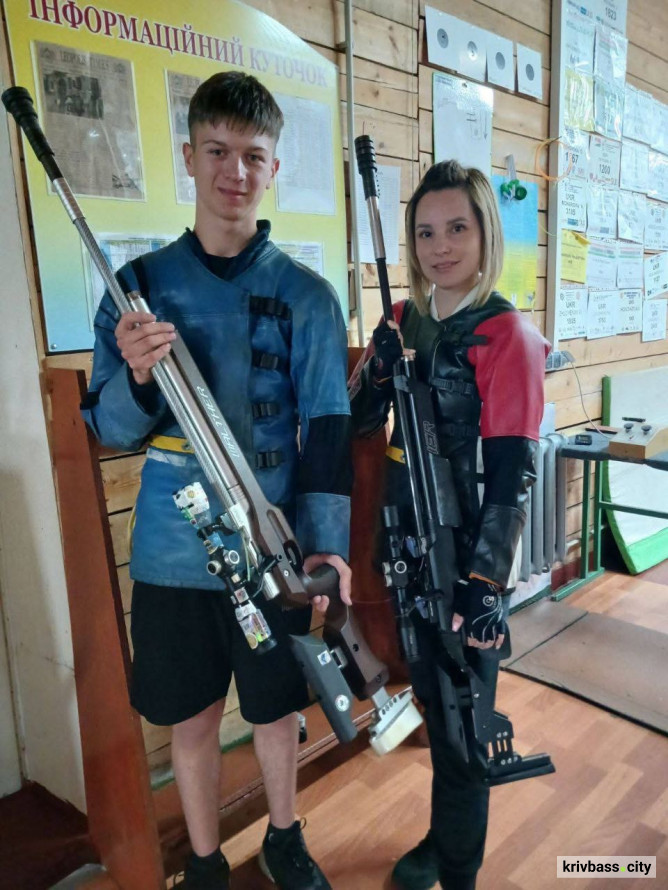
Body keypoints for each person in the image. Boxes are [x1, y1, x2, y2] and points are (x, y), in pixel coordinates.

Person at [82, 71, 353, 890]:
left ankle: (284, 837)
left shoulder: (309, 297)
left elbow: (328, 431)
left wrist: (328, 549)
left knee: (276, 708)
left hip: (274, 545)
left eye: (253, 156)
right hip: (173, 551)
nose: (235, 171)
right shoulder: (136, 291)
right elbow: (110, 429)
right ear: (189, 156)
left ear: (274, 168)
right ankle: (203, 861)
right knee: (193, 716)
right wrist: (136, 376)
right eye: (217, 151)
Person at [349, 160, 550, 890]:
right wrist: (377, 370)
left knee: (465, 720)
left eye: (457, 228)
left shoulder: (507, 335)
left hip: (465, 554)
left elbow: (512, 473)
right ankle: (443, 837)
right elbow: (360, 420)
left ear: (485, 232)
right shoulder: (404, 320)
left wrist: (485, 583)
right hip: (404, 542)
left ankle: (459, 869)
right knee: (435, 704)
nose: (441, 247)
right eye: (426, 232)